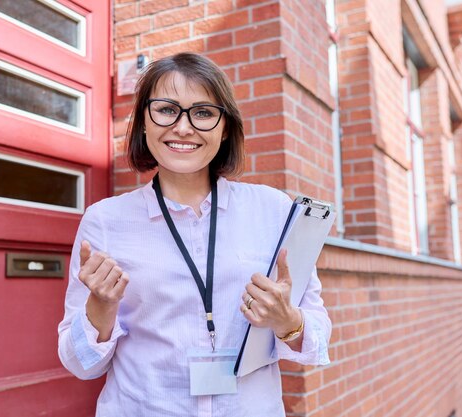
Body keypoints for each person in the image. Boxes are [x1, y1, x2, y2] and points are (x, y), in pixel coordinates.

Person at [58, 52, 331, 417]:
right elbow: (79, 364)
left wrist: (288, 322)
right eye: (166, 109)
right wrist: (101, 307)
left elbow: (317, 338)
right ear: (143, 121)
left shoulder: (273, 210)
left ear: (225, 128)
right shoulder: (105, 220)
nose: (183, 128)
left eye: (203, 112)